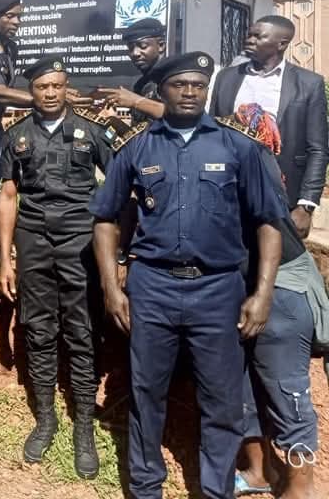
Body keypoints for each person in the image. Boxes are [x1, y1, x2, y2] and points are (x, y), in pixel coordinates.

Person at [90, 52, 285, 499]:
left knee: (220, 402)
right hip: (152, 287)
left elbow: (268, 223)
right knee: (146, 395)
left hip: (218, 289)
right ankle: (145, 488)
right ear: (162, 91)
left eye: (199, 84)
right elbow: (105, 220)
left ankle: (215, 490)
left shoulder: (238, 146)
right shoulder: (137, 146)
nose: (190, 91)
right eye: (180, 84)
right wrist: (110, 287)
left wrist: (262, 294)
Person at [0, 55, 114, 478]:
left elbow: (115, 192)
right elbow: (8, 196)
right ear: (32, 91)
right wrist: (6, 257)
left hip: (80, 242)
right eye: (42, 87)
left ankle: (83, 424)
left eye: (57, 86)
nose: (49, 94)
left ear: (66, 88)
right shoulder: (16, 136)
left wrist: (114, 256)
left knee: (81, 330)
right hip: (33, 241)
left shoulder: (92, 134)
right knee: (39, 328)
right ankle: (45, 418)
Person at [228, 104, 324, 499]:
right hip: (239, 287)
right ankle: (257, 472)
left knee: (286, 388)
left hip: (278, 289)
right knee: (242, 385)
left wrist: (263, 294)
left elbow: (267, 233)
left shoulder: (252, 163)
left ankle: (301, 486)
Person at [210, 15, 329, 239]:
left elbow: (318, 149)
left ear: (281, 44)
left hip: (282, 195)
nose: (249, 40)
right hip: (229, 191)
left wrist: (306, 205)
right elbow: (211, 133)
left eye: (258, 36)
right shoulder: (227, 77)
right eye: (249, 34)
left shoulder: (308, 84)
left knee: (279, 267)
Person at [93, 18, 166, 123]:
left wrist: (136, 101)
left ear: (161, 45)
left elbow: (178, 116)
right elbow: (139, 131)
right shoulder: (141, 85)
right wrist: (112, 119)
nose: (135, 53)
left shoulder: (173, 79)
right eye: (131, 48)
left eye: (143, 46)